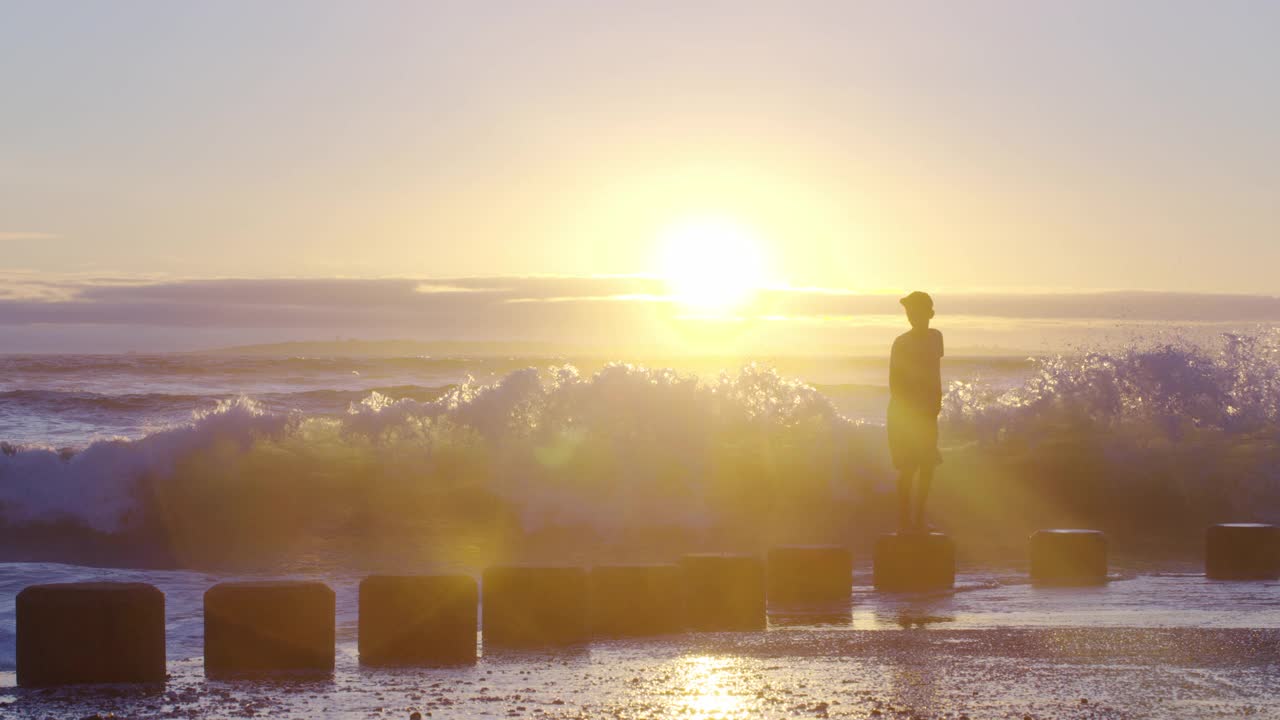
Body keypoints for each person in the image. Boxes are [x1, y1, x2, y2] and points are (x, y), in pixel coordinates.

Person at [888, 291, 943, 531]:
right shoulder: (901, 342)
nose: (912, 317)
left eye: (917, 312)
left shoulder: (936, 338)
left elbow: (934, 372)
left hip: (928, 411)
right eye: (909, 313)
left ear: (930, 314)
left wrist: (935, 405)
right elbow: (895, 383)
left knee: (927, 466)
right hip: (904, 413)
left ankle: (919, 518)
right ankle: (903, 520)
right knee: (908, 468)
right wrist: (910, 414)